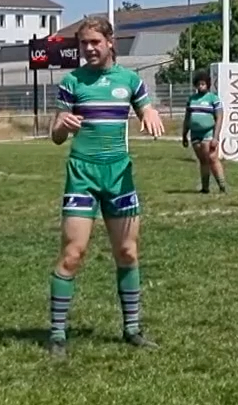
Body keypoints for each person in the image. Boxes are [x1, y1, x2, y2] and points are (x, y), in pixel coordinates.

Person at [47, 18, 165, 358]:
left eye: (95, 42)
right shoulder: (72, 82)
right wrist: (62, 126)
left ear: (110, 42)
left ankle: (132, 330)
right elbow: (56, 136)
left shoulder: (129, 81)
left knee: (127, 253)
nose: (89, 49)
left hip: (119, 175)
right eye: (84, 43)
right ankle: (57, 334)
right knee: (73, 254)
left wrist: (150, 113)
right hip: (82, 173)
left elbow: (146, 108)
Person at [184, 72, 227, 194]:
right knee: (202, 160)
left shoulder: (213, 98)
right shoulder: (191, 99)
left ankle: (222, 186)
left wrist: (216, 137)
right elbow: (187, 118)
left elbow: (219, 117)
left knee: (212, 158)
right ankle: (205, 187)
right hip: (195, 134)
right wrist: (184, 134)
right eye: (198, 84)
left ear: (207, 84)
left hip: (208, 133)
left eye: (203, 84)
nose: (201, 86)